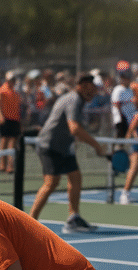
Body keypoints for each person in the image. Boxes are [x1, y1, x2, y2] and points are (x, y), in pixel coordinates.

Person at [29, 74, 107, 233]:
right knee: (51, 183)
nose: (92, 94)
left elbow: (72, 130)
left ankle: (73, 219)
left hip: (64, 147)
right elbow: (75, 128)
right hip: (49, 145)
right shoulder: (74, 100)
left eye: (94, 90)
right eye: (89, 90)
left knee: (75, 177)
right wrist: (96, 146)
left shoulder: (77, 100)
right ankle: (29, 223)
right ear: (81, 87)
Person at [0, 72, 22, 173]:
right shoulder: (1, 91)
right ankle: (2, 164)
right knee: (4, 141)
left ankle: (10, 166)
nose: (12, 82)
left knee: (12, 143)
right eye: (10, 80)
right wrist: (0, 116)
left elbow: (18, 107)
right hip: (5, 119)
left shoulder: (15, 92)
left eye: (13, 80)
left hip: (14, 120)